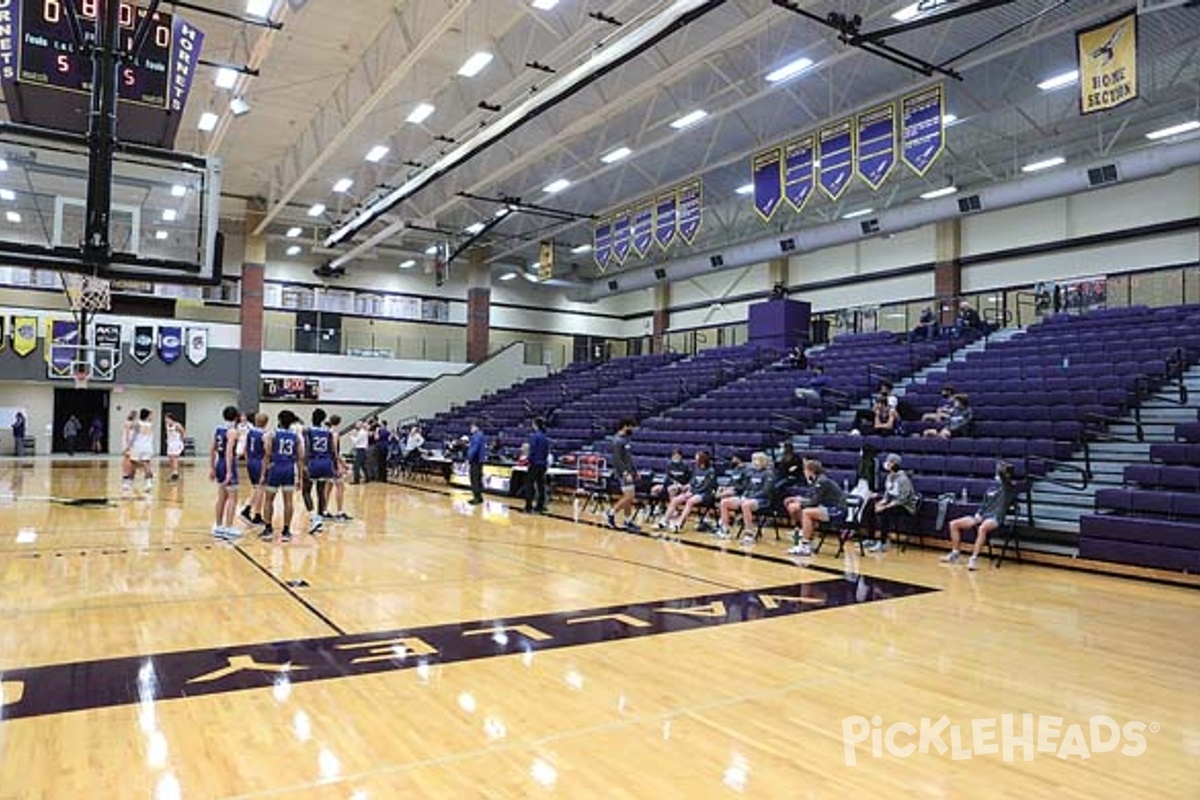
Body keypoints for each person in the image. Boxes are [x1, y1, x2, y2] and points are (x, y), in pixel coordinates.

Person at [943, 461, 1017, 570]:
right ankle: (955, 553)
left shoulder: (1009, 487)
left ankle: (973, 559)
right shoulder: (991, 488)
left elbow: (1004, 477)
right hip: (983, 515)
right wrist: (978, 513)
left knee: (982, 528)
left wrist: (1002, 468)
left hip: (995, 517)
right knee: (954, 524)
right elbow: (984, 504)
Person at [786, 459, 846, 557]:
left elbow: (814, 502)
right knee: (800, 508)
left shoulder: (822, 481)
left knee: (806, 512)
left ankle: (805, 545)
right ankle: (807, 537)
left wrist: (800, 504)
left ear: (810, 470)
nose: (804, 472)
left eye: (805, 470)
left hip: (837, 510)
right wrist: (798, 500)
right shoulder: (816, 480)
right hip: (827, 508)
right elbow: (811, 499)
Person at [261, 410, 304, 543]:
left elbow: (267, 454)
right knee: (288, 501)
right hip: (289, 469)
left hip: (275, 468)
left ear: (279, 420)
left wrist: (263, 474)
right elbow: (300, 458)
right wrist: (300, 478)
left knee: (268, 500)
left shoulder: (272, 434)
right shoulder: (296, 437)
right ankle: (286, 531)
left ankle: (268, 529)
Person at [715, 451, 773, 545]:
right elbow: (747, 487)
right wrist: (745, 496)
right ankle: (725, 530)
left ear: (762, 461)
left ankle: (749, 534)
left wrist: (749, 497)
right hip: (748, 497)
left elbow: (766, 491)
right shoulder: (751, 473)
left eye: (756, 460)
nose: (753, 462)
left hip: (762, 500)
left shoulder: (768, 474)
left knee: (746, 505)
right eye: (753, 460)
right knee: (724, 502)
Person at [865, 453, 919, 552]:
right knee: (870, 507)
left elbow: (902, 499)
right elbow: (887, 495)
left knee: (885, 512)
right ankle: (871, 538)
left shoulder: (903, 479)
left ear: (894, 464)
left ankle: (883, 542)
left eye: (889, 462)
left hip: (905, 507)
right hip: (893, 503)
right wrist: (880, 504)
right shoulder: (889, 477)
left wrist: (885, 507)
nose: (886, 463)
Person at [658, 451, 716, 533]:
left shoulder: (710, 471)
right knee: (675, 500)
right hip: (694, 492)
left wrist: (692, 492)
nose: (695, 461)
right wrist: (686, 487)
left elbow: (706, 486)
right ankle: (664, 521)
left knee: (690, 501)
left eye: (697, 459)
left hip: (704, 494)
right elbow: (692, 482)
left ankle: (679, 523)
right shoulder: (696, 469)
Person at [210, 405, 241, 539]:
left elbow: (212, 449)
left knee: (222, 497)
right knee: (233, 498)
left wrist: (212, 467)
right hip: (228, 463)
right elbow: (229, 451)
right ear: (236, 417)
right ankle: (228, 527)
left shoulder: (218, 429)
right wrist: (229, 471)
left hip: (219, 463)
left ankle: (218, 526)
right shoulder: (232, 431)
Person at [606, 418, 640, 532]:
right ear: (625, 426)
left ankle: (628, 521)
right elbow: (617, 460)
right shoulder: (617, 441)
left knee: (629, 498)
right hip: (624, 473)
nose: (632, 429)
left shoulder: (625, 440)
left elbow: (628, 458)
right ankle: (611, 513)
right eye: (631, 426)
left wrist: (635, 471)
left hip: (629, 472)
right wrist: (625, 472)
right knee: (629, 496)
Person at [306, 409, 335, 533]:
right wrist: (335, 466)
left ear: (312, 417)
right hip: (326, 462)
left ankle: (314, 517)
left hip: (314, 462)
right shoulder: (328, 432)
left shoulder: (308, 431)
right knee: (321, 491)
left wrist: (304, 464)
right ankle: (320, 518)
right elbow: (332, 450)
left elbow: (307, 448)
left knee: (306, 491)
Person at [240, 412, 269, 527]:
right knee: (260, 489)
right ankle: (252, 512)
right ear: (266, 423)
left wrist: (248, 460)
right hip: (259, 462)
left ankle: (253, 513)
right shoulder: (264, 434)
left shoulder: (250, 432)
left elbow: (245, 448)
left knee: (256, 488)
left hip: (250, 461)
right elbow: (267, 451)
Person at [326, 415, 351, 521]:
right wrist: (342, 464)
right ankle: (340, 512)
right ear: (339, 422)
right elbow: (335, 452)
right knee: (340, 487)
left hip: (327, 462)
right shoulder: (334, 434)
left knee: (328, 488)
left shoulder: (326, 432)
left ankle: (324, 510)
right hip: (333, 463)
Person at [126, 409, 155, 494]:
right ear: (147, 415)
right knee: (146, 463)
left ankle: (129, 483)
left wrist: (128, 446)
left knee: (133, 464)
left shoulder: (138, 424)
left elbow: (134, 436)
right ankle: (148, 483)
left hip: (138, 446)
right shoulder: (150, 425)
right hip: (148, 447)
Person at [525, 417, 550, 514]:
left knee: (529, 485)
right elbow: (546, 452)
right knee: (541, 486)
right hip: (542, 464)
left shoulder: (534, 437)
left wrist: (529, 461)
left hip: (534, 463)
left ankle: (528, 506)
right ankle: (540, 506)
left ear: (535, 425)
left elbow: (532, 451)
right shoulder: (545, 437)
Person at [467, 421, 487, 504]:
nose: (470, 429)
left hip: (475, 460)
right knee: (478, 479)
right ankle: (479, 497)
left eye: (472, 427)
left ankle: (476, 498)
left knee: (474, 479)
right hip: (479, 460)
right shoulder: (480, 435)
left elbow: (474, 449)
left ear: (476, 427)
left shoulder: (477, 436)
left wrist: (468, 457)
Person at [164, 413, 186, 482]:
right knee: (170, 459)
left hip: (177, 443)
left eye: (167, 418)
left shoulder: (177, 425)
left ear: (171, 418)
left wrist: (182, 441)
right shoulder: (167, 425)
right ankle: (174, 473)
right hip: (170, 443)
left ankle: (175, 474)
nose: (165, 420)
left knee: (174, 458)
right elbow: (168, 433)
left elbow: (183, 433)